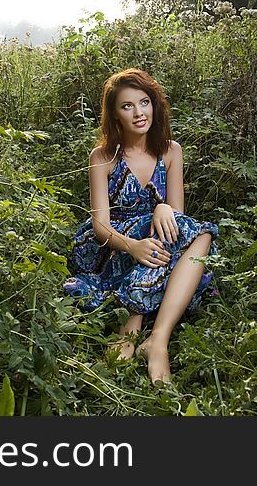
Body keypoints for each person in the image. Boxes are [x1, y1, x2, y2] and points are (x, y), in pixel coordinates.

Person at [63, 68, 219, 383]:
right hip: (111, 246)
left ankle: (156, 338)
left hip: (156, 240)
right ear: (115, 115)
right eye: (127, 106)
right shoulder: (103, 157)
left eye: (144, 102)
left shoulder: (171, 151)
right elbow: (100, 228)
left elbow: (178, 220)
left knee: (198, 235)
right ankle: (133, 325)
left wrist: (162, 207)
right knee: (168, 238)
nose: (138, 113)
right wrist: (133, 245)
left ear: (154, 105)